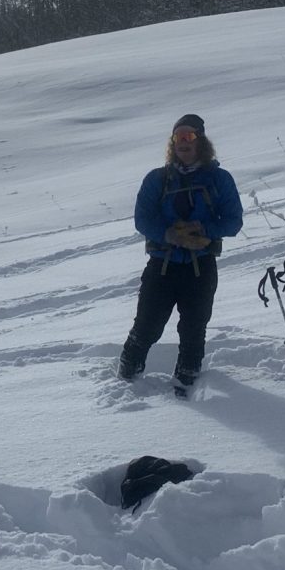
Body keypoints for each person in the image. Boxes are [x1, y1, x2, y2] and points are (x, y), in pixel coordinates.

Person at [118, 113, 244, 386]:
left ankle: (186, 383)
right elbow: (142, 219)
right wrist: (171, 236)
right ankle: (126, 376)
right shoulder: (157, 179)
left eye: (189, 136)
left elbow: (234, 221)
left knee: (193, 329)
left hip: (201, 267)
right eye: (178, 137)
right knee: (146, 326)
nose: (183, 142)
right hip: (162, 266)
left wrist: (203, 231)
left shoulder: (219, 179)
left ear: (201, 141)